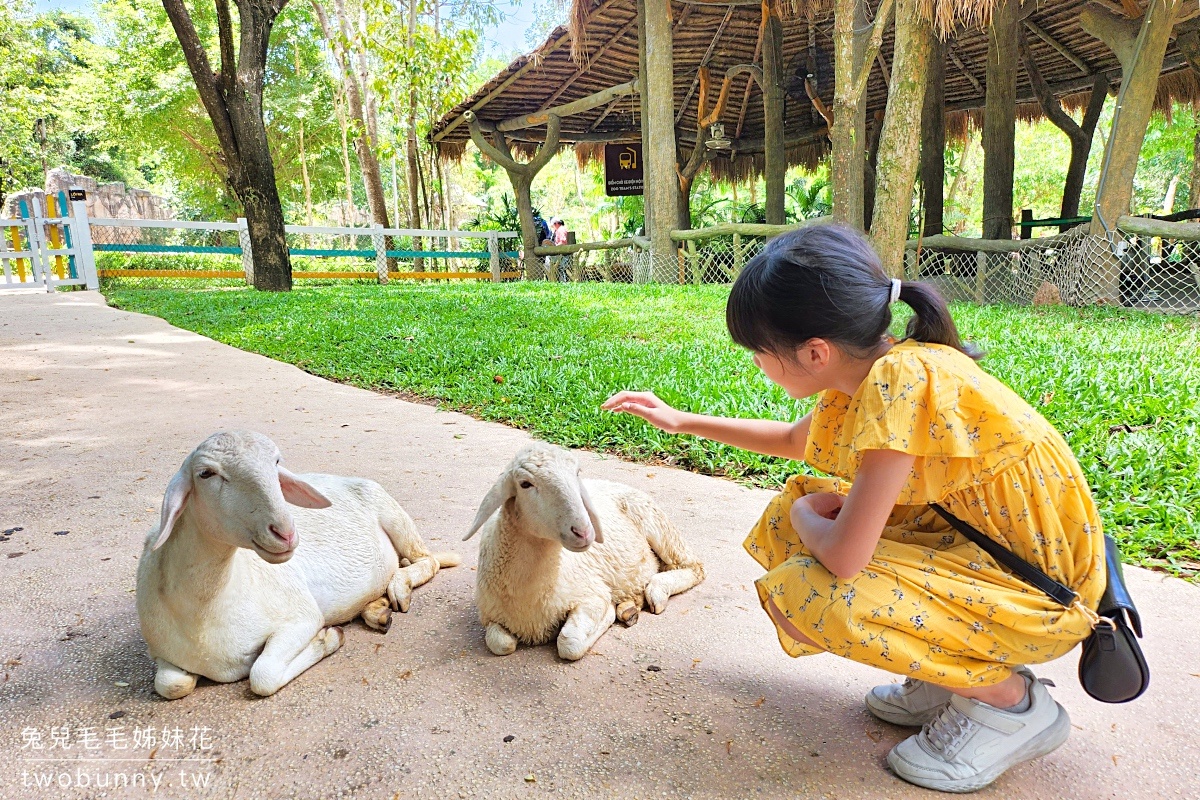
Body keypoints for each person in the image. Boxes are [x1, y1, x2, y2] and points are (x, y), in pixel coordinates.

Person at [602, 224, 1105, 794]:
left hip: (1041, 593)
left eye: (760, 353)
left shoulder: (899, 384)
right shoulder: (882, 367)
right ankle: (947, 678)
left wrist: (804, 519)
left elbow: (843, 558)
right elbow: (797, 441)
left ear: (814, 352)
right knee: (796, 512)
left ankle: (1012, 707)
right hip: (997, 559)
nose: (758, 365)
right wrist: (680, 418)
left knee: (810, 593)